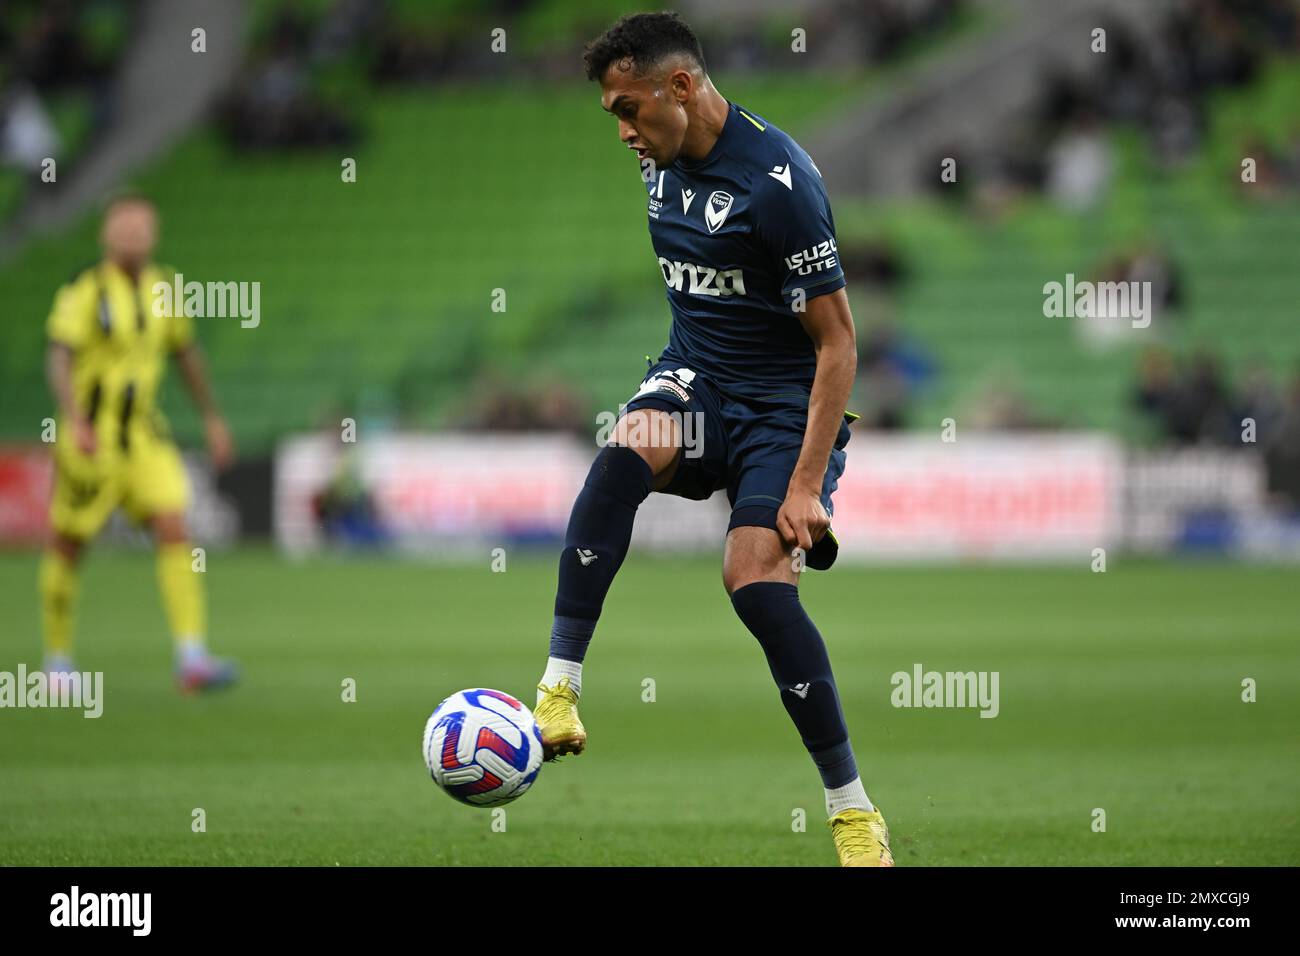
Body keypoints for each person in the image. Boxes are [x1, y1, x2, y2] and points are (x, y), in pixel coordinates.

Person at [531, 12, 890, 866]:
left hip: (782, 409)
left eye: (628, 109)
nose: (622, 131)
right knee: (621, 455)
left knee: (755, 585)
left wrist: (804, 484)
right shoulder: (659, 158)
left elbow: (838, 344)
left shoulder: (778, 184)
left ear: (680, 87)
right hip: (696, 379)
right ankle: (558, 688)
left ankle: (851, 810)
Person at [40, 194, 238, 693]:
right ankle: (56, 658)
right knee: (70, 541)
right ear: (107, 235)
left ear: (154, 234)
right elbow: (59, 356)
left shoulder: (166, 287)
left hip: (146, 437)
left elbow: (186, 355)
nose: (133, 236)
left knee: (174, 527)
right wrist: (75, 418)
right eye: (124, 228)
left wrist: (212, 418)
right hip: (92, 437)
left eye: (142, 228)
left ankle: (191, 656)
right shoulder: (85, 288)